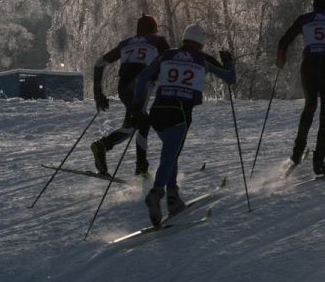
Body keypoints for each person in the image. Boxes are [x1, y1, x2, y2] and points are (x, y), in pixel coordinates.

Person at [132, 24, 235, 228]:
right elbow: (231, 79)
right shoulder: (203, 59)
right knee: (169, 156)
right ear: (201, 43)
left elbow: (143, 77)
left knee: (171, 153)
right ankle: (157, 193)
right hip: (179, 112)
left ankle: (173, 198)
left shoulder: (166, 55)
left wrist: (136, 107)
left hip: (158, 111)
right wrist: (229, 62)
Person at [91, 14, 170, 177]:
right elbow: (170, 64)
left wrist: (98, 95)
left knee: (132, 125)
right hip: (141, 85)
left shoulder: (126, 43)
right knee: (142, 123)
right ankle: (140, 168)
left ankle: (104, 145)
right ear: (154, 30)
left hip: (124, 87)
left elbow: (99, 64)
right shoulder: (158, 41)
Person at [276, 0, 325, 176]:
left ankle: (296, 153)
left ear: (314, 4)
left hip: (310, 66)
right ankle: (319, 160)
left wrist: (281, 55)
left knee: (310, 106)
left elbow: (285, 39)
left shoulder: (305, 18)